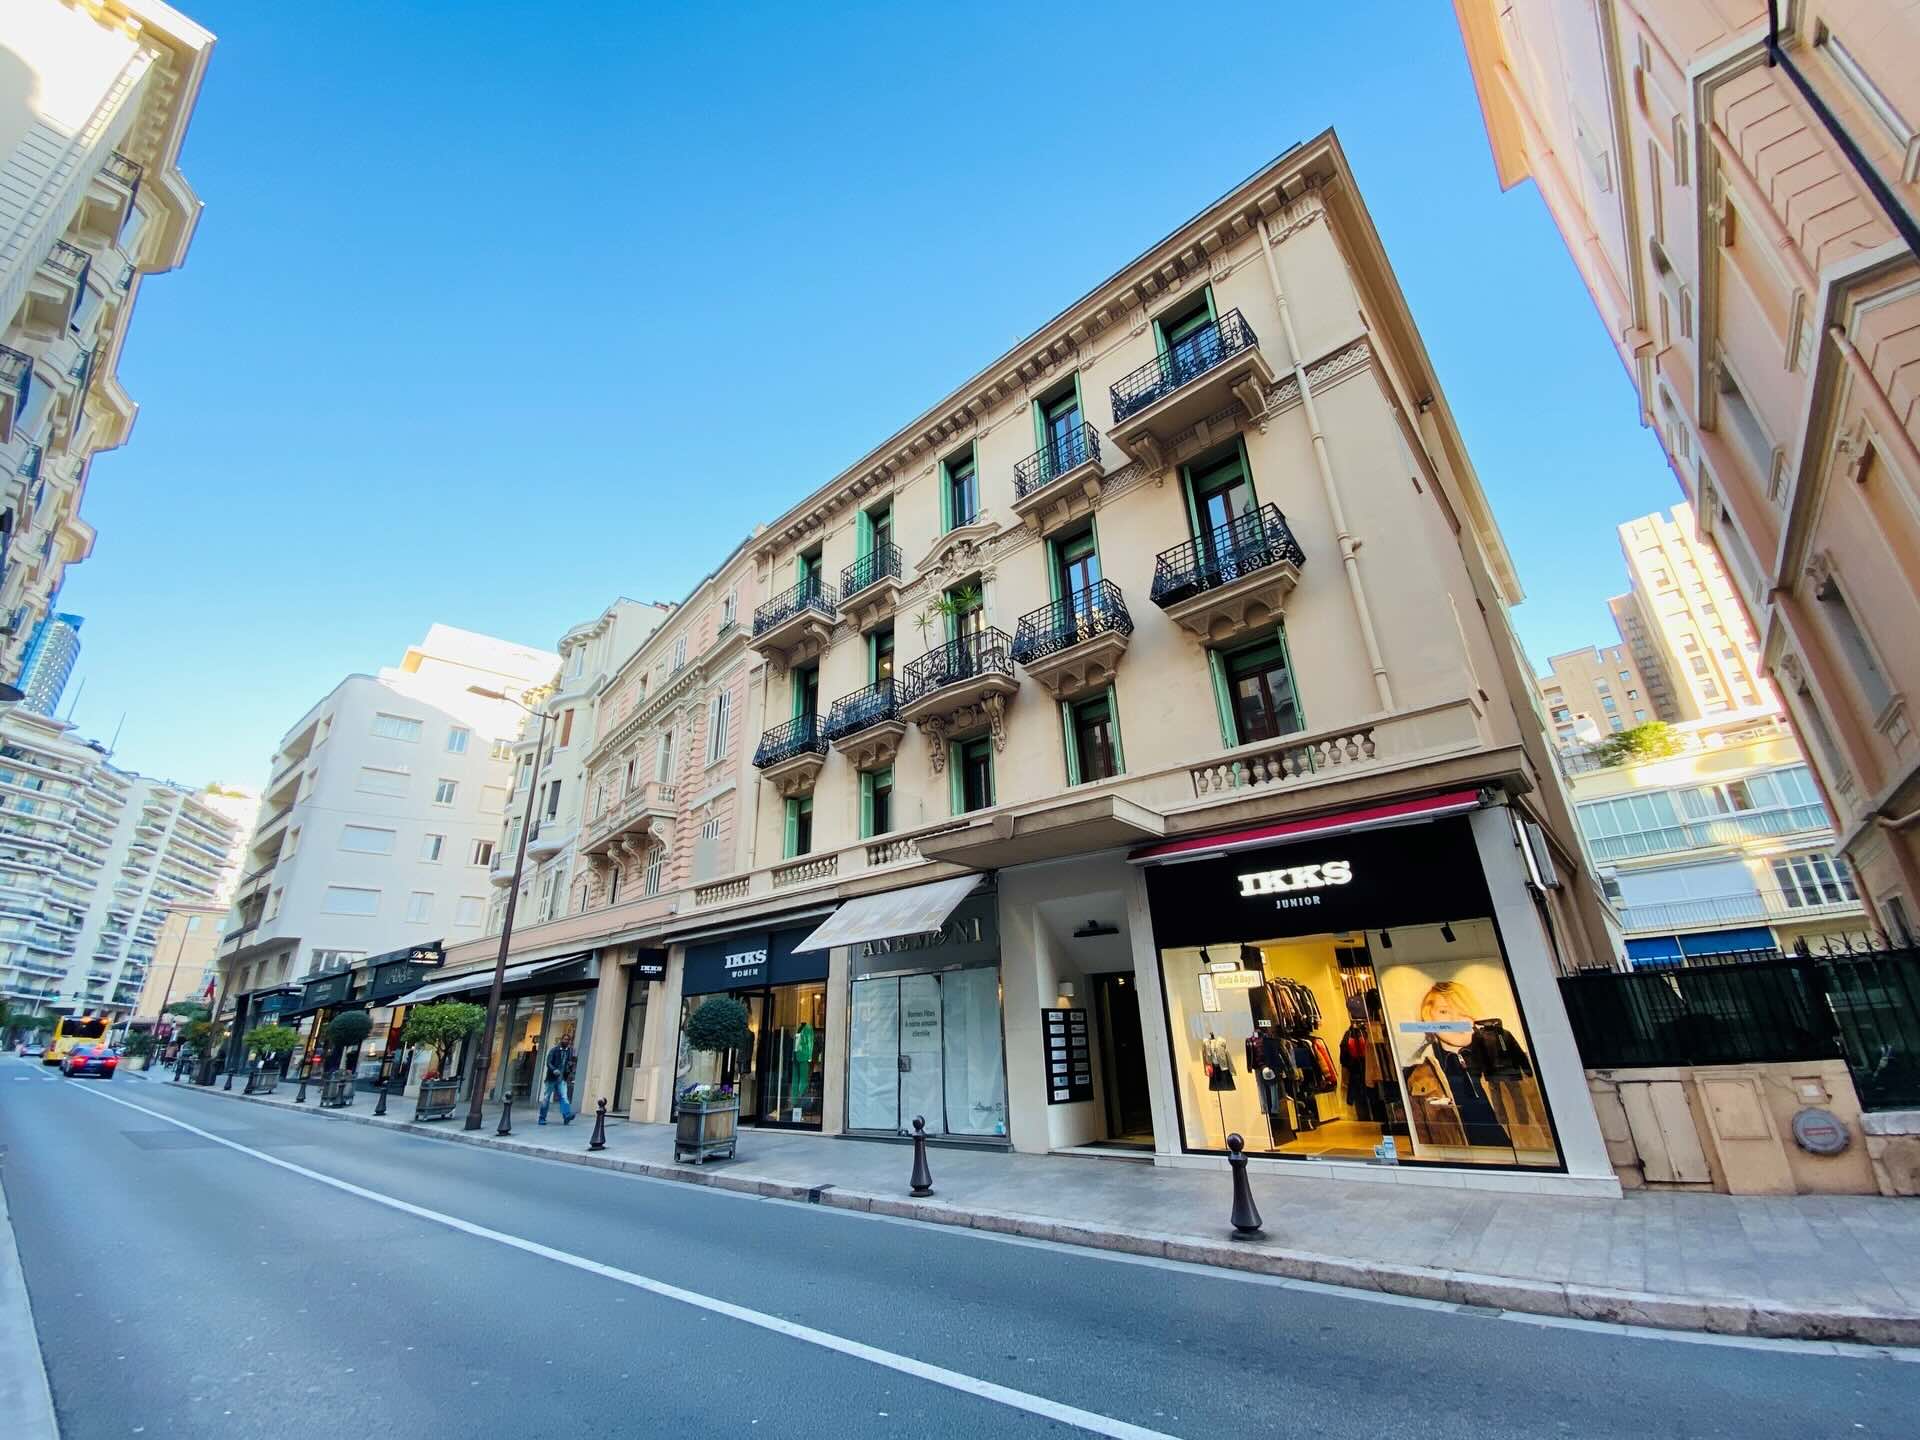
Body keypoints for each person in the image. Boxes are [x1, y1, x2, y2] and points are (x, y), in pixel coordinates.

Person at [538, 1032, 577, 1125]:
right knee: (547, 1098)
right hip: (551, 1078)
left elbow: (570, 1064)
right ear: (561, 1040)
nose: (566, 1041)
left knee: (564, 1097)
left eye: (568, 1040)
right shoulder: (554, 1050)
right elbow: (548, 1062)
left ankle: (566, 1116)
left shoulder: (570, 1051)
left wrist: (571, 1066)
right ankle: (542, 1118)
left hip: (562, 1078)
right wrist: (554, 1069)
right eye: (565, 1039)